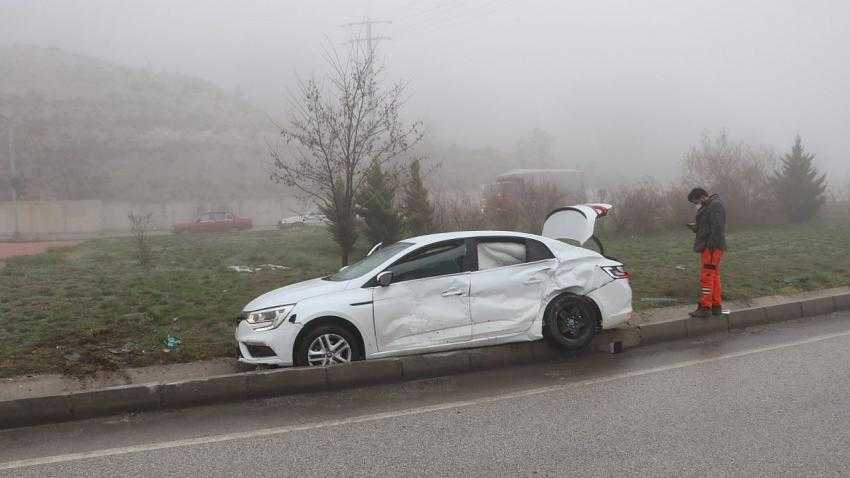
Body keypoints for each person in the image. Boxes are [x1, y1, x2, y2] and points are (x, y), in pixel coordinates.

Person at [686, 188, 727, 318]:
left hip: (711, 248)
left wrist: (710, 246)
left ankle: (705, 307)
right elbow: (707, 226)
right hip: (710, 247)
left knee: (707, 277)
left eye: (696, 201)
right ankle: (716, 306)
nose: (696, 204)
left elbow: (718, 227)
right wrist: (695, 227)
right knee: (713, 276)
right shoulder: (707, 206)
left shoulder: (715, 206)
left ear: (703, 196)